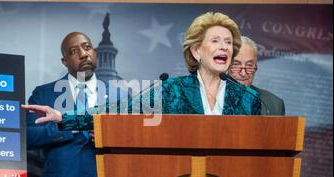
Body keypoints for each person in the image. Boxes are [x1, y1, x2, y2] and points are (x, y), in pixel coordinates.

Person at [23, 12, 261, 130]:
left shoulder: (249, 100)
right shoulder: (172, 91)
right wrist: (64, 118)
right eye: (216, 41)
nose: (224, 47)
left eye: (229, 42)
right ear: (197, 50)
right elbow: (117, 111)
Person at [24, 32, 105, 177]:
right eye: (74, 51)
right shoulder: (44, 94)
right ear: (64, 61)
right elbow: (27, 136)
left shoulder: (119, 96)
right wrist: (70, 125)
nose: (83, 53)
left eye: (87, 47)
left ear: (95, 52)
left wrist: (110, 136)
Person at [229, 36, 285, 115]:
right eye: (236, 64)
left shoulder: (273, 104)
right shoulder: (208, 99)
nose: (243, 73)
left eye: (249, 65)